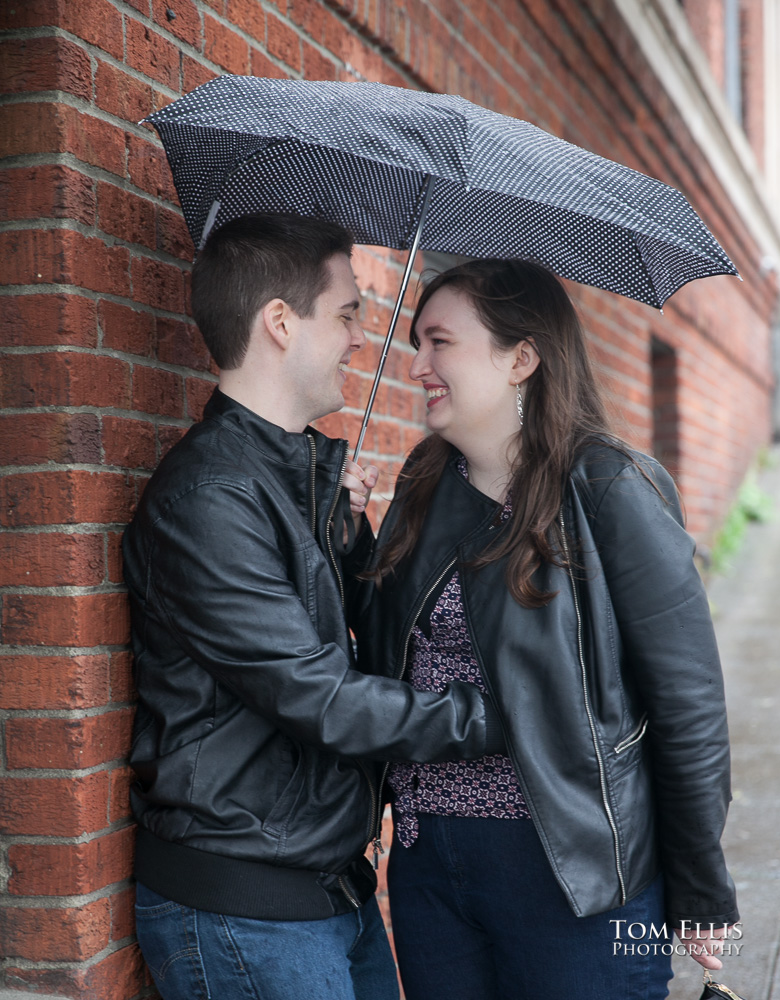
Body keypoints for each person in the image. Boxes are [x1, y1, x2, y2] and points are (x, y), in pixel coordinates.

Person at [122, 213, 506, 1000]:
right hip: (246, 909)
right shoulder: (211, 498)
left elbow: (378, 628)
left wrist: (347, 534)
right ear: (279, 323)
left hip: (323, 889)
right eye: (346, 314)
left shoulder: (289, 482)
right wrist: (499, 717)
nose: (361, 338)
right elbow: (314, 695)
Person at [355, 258, 740, 1000]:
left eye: (440, 342)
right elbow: (382, 659)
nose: (417, 364)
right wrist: (343, 533)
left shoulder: (608, 487)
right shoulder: (423, 484)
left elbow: (687, 699)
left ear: (522, 357)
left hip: (576, 873)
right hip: (433, 869)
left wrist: (702, 888)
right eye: (416, 343)